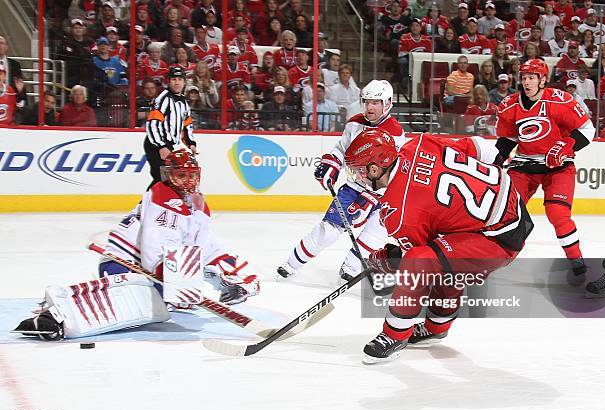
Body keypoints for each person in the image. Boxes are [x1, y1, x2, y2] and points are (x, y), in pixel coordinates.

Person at [14, 150, 261, 341]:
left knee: (162, 307)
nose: (187, 181)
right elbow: (154, 246)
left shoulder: (198, 207)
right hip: (124, 263)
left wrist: (239, 279)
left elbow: (206, 247)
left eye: (191, 175)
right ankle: (60, 313)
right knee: (150, 305)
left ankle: (72, 311)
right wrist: (176, 278)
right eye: (180, 175)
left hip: (158, 271)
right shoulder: (162, 195)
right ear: (168, 174)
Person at [342, 131, 532, 364]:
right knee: (445, 256)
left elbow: (415, 260)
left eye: (359, 171)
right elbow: (481, 147)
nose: (358, 177)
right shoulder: (419, 143)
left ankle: (395, 334)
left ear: (374, 169)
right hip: (511, 199)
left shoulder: (397, 213)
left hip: (499, 238)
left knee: (422, 260)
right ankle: (436, 327)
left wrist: (385, 260)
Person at [277, 80, 407, 281]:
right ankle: (291, 264)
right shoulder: (355, 122)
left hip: (382, 194)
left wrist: (375, 194)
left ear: (387, 104)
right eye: (367, 102)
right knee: (328, 230)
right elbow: (341, 149)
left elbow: (392, 169)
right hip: (353, 187)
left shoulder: (395, 132)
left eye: (375, 103)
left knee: (376, 233)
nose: (370, 107)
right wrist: (332, 163)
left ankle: (351, 268)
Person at [495, 59, 596, 275]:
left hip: (558, 166)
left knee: (558, 214)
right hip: (524, 166)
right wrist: (496, 160)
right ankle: (494, 261)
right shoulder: (510, 105)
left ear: (543, 80)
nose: (527, 82)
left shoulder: (560, 100)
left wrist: (566, 145)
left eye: (532, 77)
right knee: (508, 213)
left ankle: (577, 262)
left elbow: (587, 130)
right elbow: (506, 140)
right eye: (524, 78)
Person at [144, 67, 197, 188]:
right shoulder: (163, 99)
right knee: (163, 178)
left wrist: (191, 143)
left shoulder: (183, 102)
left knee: (170, 178)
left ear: (184, 82)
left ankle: (149, 205)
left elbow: (187, 125)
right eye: (174, 79)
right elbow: (153, 124)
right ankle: (143, 206)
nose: (177, 82)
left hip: (169, 145)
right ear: (169, 81)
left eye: (179, 79)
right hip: (155, 145)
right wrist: (160, 146)